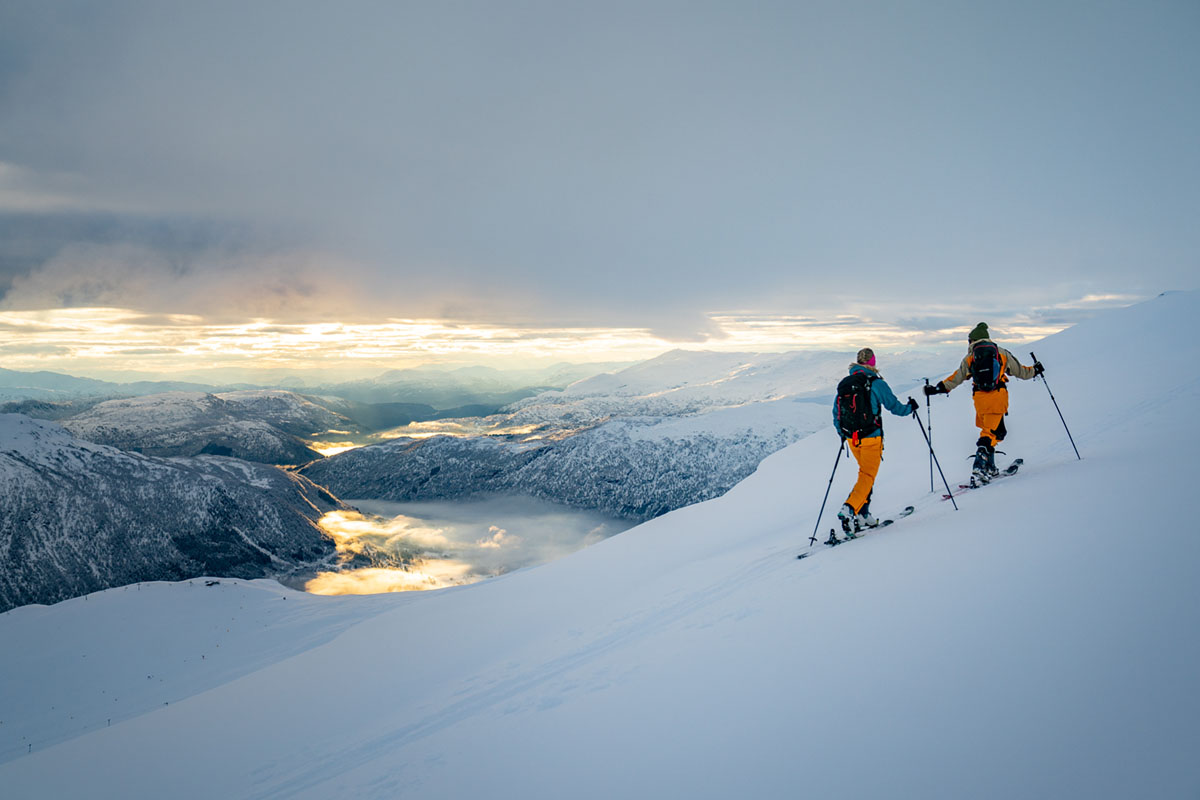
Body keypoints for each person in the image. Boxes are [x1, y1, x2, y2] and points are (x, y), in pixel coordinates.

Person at [923, 322, 1044, 484]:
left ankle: (990, 467)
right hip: (997, 398)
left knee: (997, 432)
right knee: (989, 434)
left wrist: (938, 388)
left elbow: (957, 377)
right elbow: (1021, 372)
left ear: (972, 340)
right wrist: (1035, 370)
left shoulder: (970, 357)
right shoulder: (1001, 353)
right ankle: (979, 467)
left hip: (979, 400)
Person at [832, 347, 918, 535]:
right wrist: (910, 408)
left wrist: (842, 433)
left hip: (852, 439)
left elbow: (836, 413)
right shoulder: (876, 382)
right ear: (872, 362)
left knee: (865, 474)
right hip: (871, 437)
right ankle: (849, 509)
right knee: (867, 476)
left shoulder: (845, 383)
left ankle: (863, 513)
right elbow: (894, 407)